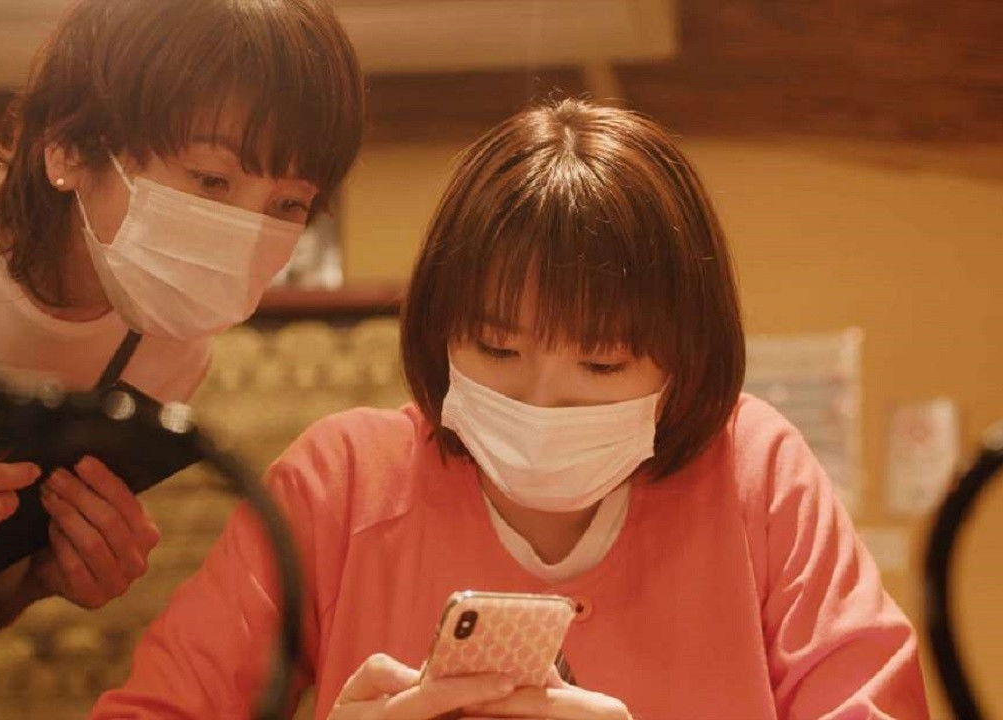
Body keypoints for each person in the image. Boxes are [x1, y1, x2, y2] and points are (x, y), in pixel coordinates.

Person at [92, 99, 929, 719]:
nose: (540, 399)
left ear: (685, 362)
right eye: (496, 350)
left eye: (600, 363)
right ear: (438, 330)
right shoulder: (340, 483)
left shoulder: (755, 473)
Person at [0, 0, 363, 631]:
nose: (245, 233)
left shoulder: (165, 352)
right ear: (68, 148)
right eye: (211, 180)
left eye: (288, 205)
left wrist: (38, 579)